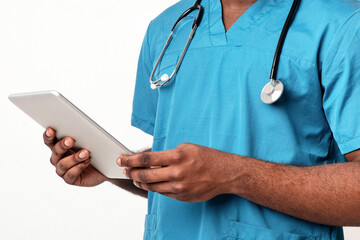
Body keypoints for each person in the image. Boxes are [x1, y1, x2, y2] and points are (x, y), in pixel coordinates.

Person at [43, 0, 360, 239]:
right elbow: (187, 174)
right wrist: (112, 167)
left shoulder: (342, 25)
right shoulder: (169, 27)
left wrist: (234, 175)